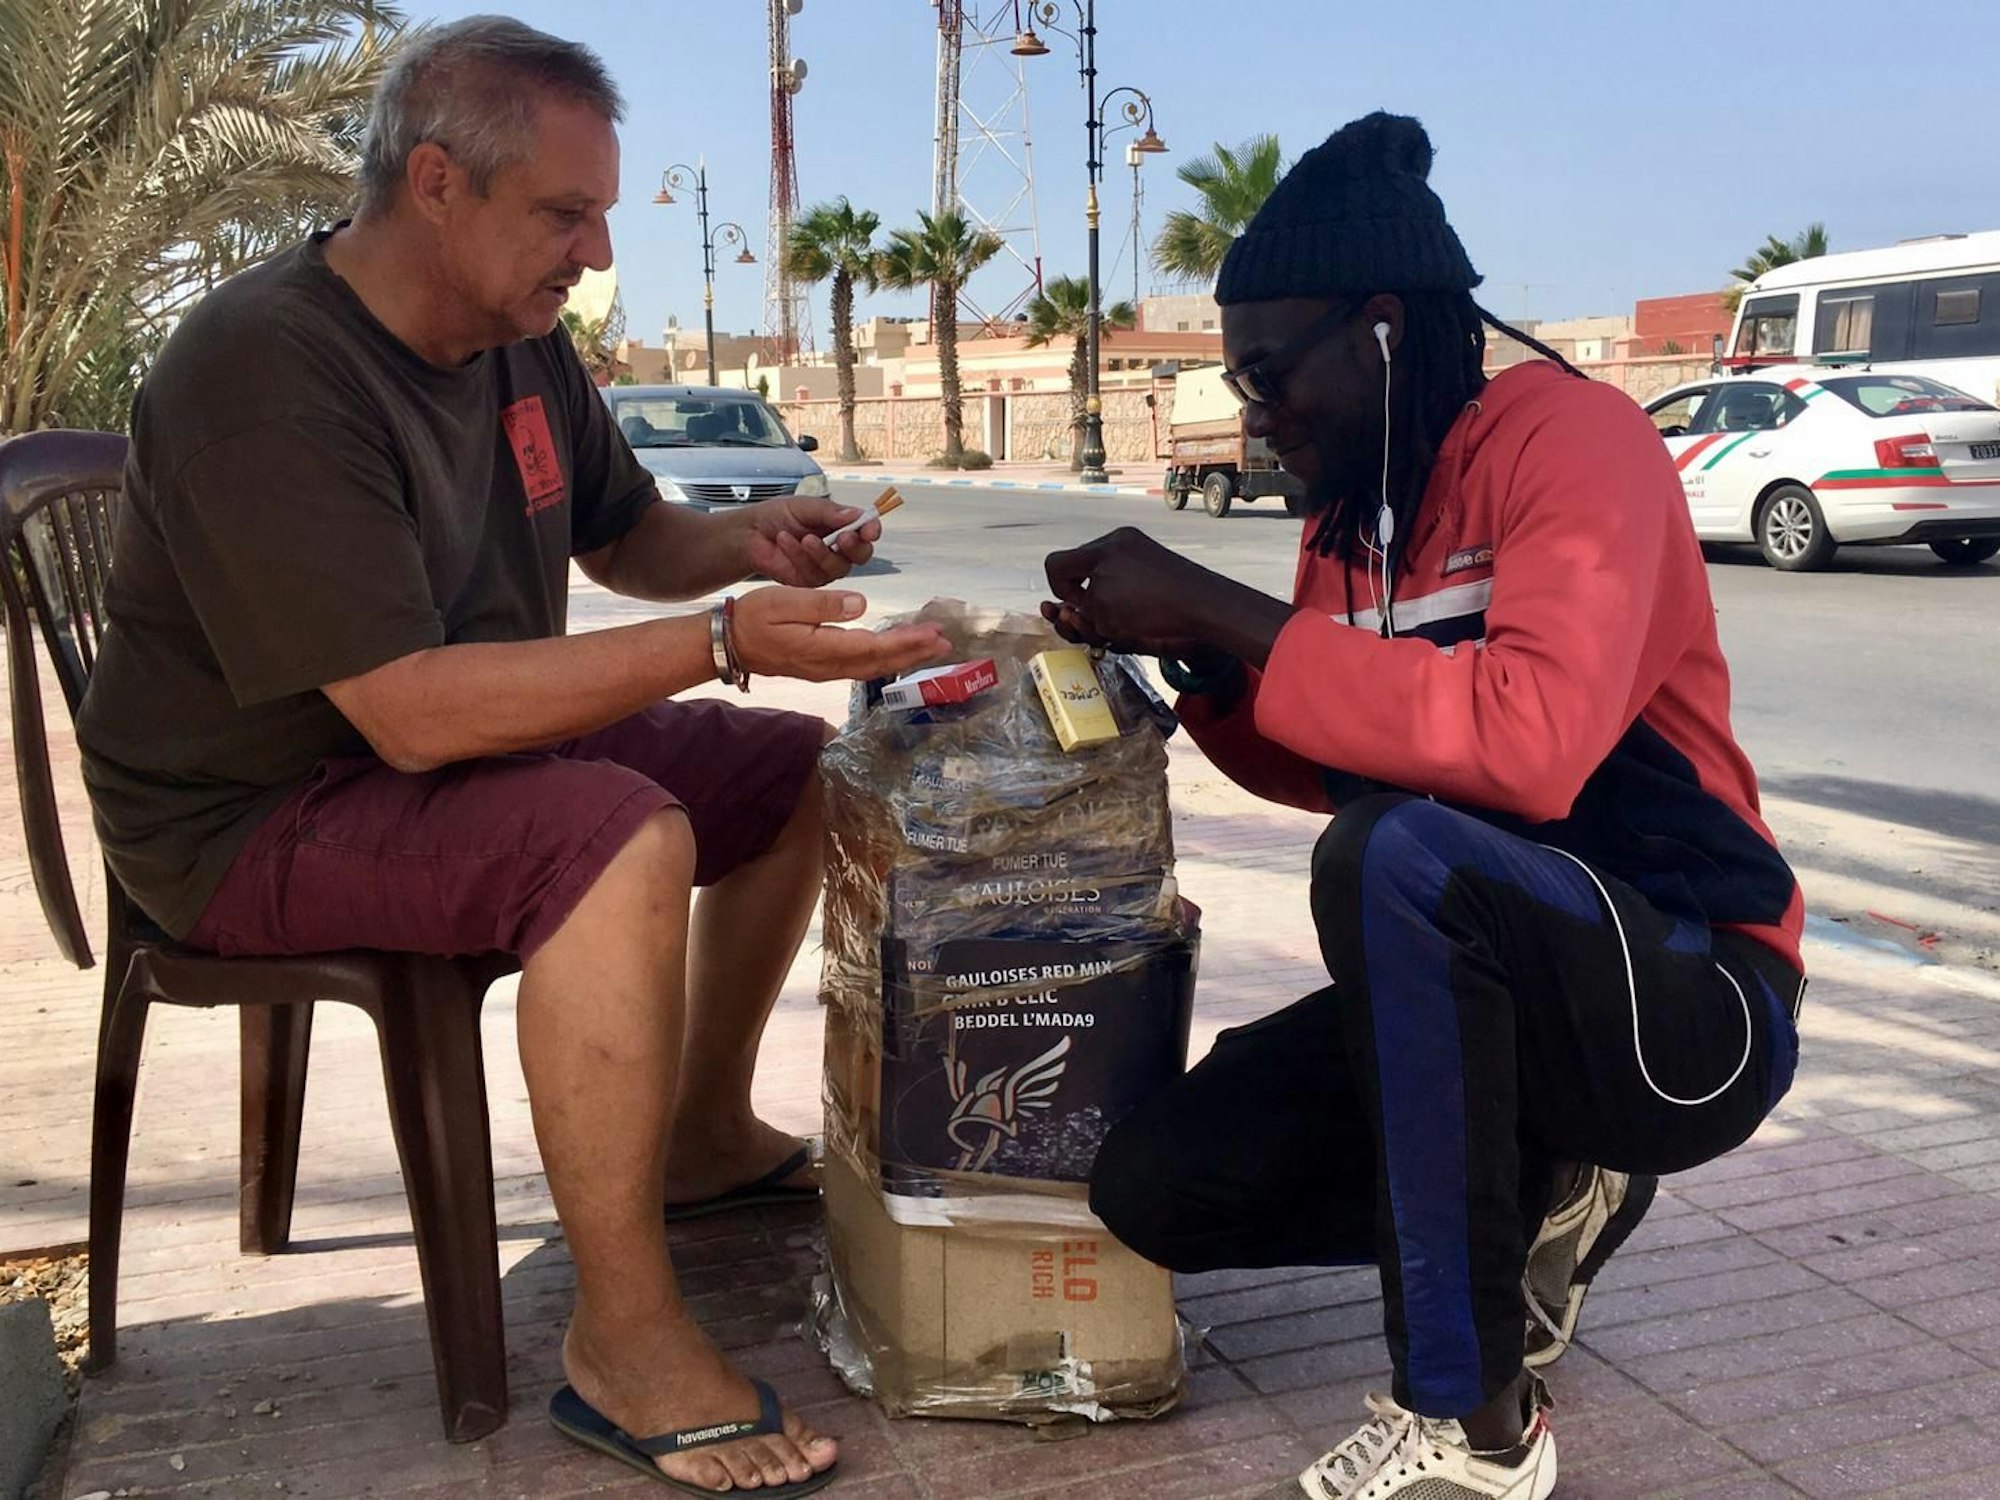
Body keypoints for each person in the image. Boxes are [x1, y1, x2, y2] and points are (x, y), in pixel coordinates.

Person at [75, 18, 948, 1497]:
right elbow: (409, 713)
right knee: (616, 835)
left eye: (601, 213)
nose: (599, 253)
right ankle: (622, 1337)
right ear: (436, 184)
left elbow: (628, 538)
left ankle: (697, 1137)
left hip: (439, 757)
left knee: (788, 775)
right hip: (251, 815)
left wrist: (751, 549)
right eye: (566, 213)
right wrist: (726, 639)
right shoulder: (264, 367)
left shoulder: (519, 344)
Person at [1042, 113, 1804, 1500]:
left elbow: (1528, 749)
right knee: (1156, 1185)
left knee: (1394, 857)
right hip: (1479, 964)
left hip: (1691, 994)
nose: (1257, 414)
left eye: (1269, 374)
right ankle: (1541, 1188)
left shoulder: (1576, 443)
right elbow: (1332, 758)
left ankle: (1477, 1418)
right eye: (1238, 380)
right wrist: (1208, 665)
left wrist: (1230, 606)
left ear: (1384, 331)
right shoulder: (1355, 522)